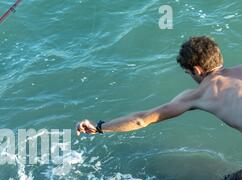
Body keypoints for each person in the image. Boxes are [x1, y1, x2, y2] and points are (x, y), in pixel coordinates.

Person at [76, 36, 242, 136]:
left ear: (197, 70)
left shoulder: (198, 95)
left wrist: (99, 127)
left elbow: (141, 120)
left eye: (188, 73)